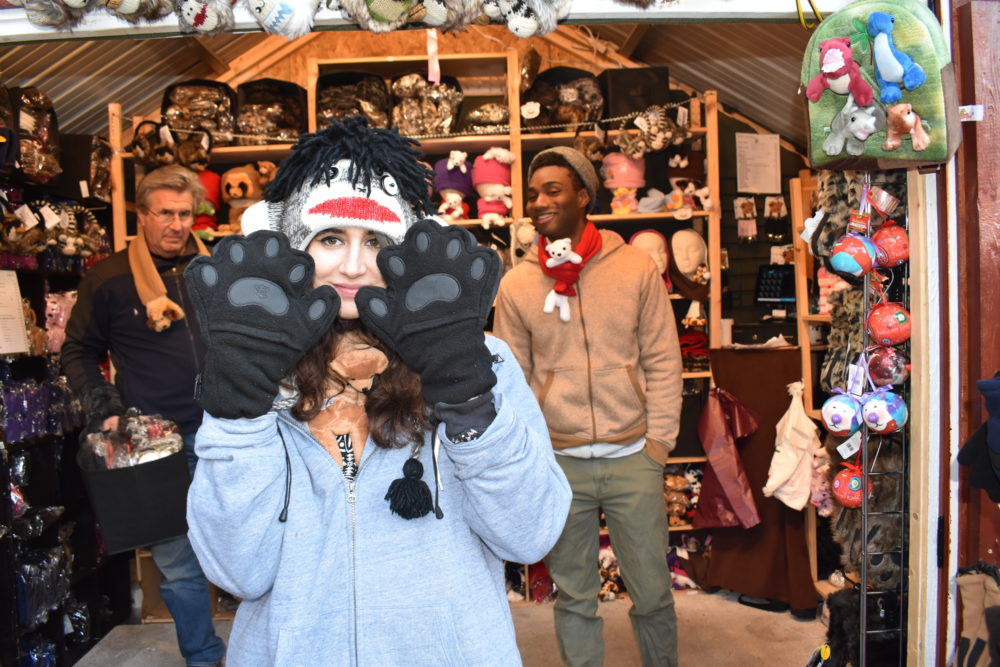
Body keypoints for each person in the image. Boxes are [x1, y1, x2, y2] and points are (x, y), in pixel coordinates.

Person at [183, 116, 572, 666]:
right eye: (331, 238)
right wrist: (237, 417)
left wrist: (467, 399)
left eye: (376, 242)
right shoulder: (256, 371)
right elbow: (237, 571)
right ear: (293, 246)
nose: (352, 265)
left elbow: (530, 535)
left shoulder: (484, 360)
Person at [493, 146, 684, 667]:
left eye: (552, 191)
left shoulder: (635, 269)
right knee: (574, 597)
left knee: (652, 592)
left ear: (583, 196)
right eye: (532, 194)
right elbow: (510, 381)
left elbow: (665, 360)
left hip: (633, 457)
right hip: (560, 464)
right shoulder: (517, 283)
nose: (538, 203)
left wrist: (659, 445)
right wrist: (531, 458)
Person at [61, 165, 226, 667]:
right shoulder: (108, 278)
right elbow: (78, 351)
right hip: (157, 444)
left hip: (229, 431)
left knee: (253, 543)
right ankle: (203, 658)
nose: (177, 225)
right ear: (142, 215)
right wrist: (103, 407)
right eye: (165, 214)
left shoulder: (215, 268)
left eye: (184, 213)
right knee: (178, 565)